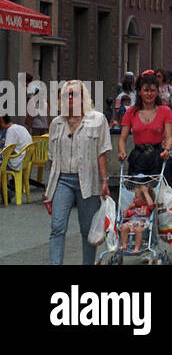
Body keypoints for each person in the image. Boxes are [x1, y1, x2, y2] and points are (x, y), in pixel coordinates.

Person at [45, 81, 112, 266]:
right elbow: (52, 158)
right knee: (57, 227)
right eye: (66, 95)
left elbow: (101, 153)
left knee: (87, 230)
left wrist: (104, 181)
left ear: (83, 97)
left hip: (88, 181)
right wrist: (50, 187)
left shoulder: (97, 120)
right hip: (62, 180)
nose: (70, 98)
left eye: (74, 94)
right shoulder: (56, 124)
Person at [116, 71, 172, 176]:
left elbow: (169, 136)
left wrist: (167, 149)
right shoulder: (130, 112)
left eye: (152, 90)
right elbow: (122, 138)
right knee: (137, 189)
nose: (149, 94)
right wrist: (122, 151)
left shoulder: (165, 111)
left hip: (158, 156)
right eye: (146, 90)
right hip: (138, 157)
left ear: (157, 92)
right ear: (139, 92)